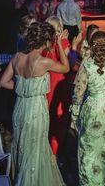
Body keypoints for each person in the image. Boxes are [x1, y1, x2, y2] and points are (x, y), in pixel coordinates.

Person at [0, 21, 68, 186]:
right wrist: (59, 43)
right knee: (36, 150)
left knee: (22, 147)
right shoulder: (44, 62)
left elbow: (3, 82)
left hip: (20, 108)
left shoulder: (17, 57)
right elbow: (66, 67)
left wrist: (23, 89)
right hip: (36, 110)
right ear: (45, 42)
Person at [70, 31, 105, 186]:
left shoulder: (87, 64)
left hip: (94, 108)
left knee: (91, 151)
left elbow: (78, 93)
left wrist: (74, 115)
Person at [44, 16, 73, 157]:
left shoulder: (45, 45)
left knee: (51, 120)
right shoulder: (62, 43)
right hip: (57, 86)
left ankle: (52, 153)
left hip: (51, 85)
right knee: (58, 121)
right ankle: (54, 156)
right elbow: (68, 63)